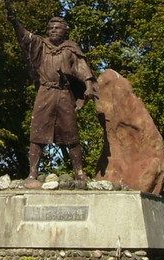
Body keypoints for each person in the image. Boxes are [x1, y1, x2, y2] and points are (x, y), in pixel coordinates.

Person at [8, 13, 99, 180]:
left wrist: (88, 86)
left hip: (64, 93)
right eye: (50, 28)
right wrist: (15, 22)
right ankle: (33, 172)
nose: (53, 30)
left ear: (65, 31)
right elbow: (25, 36)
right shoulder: (40, 45)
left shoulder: (70, 48)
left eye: (57, 28)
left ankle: (79, 172)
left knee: (72, 134)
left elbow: (82, 68)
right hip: (45, 92)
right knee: (37, 133)